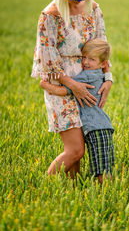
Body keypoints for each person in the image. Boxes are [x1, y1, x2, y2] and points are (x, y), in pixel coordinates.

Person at [31, 0, 113, 179]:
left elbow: (102, 45)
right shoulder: (49, 16)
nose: (79, 1)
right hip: (62, 83)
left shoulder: (94, 8)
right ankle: (46, 186)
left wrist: (108, 78)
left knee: (80, 153)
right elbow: (48, 63)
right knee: (75, 150)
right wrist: (73, 85)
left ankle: (72, 194)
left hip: (90, 81)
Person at [40, 38, 114, 183]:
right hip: (99, 127)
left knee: (101, 169)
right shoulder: (99, 74)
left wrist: (45, 85)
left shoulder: (88, 76)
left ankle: (104, 194)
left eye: (91, 59)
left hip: (97, 128)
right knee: (102, 166)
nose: (86, 62)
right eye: (84, 57)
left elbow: (64, 90)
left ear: (103, 64)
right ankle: (94, 190)